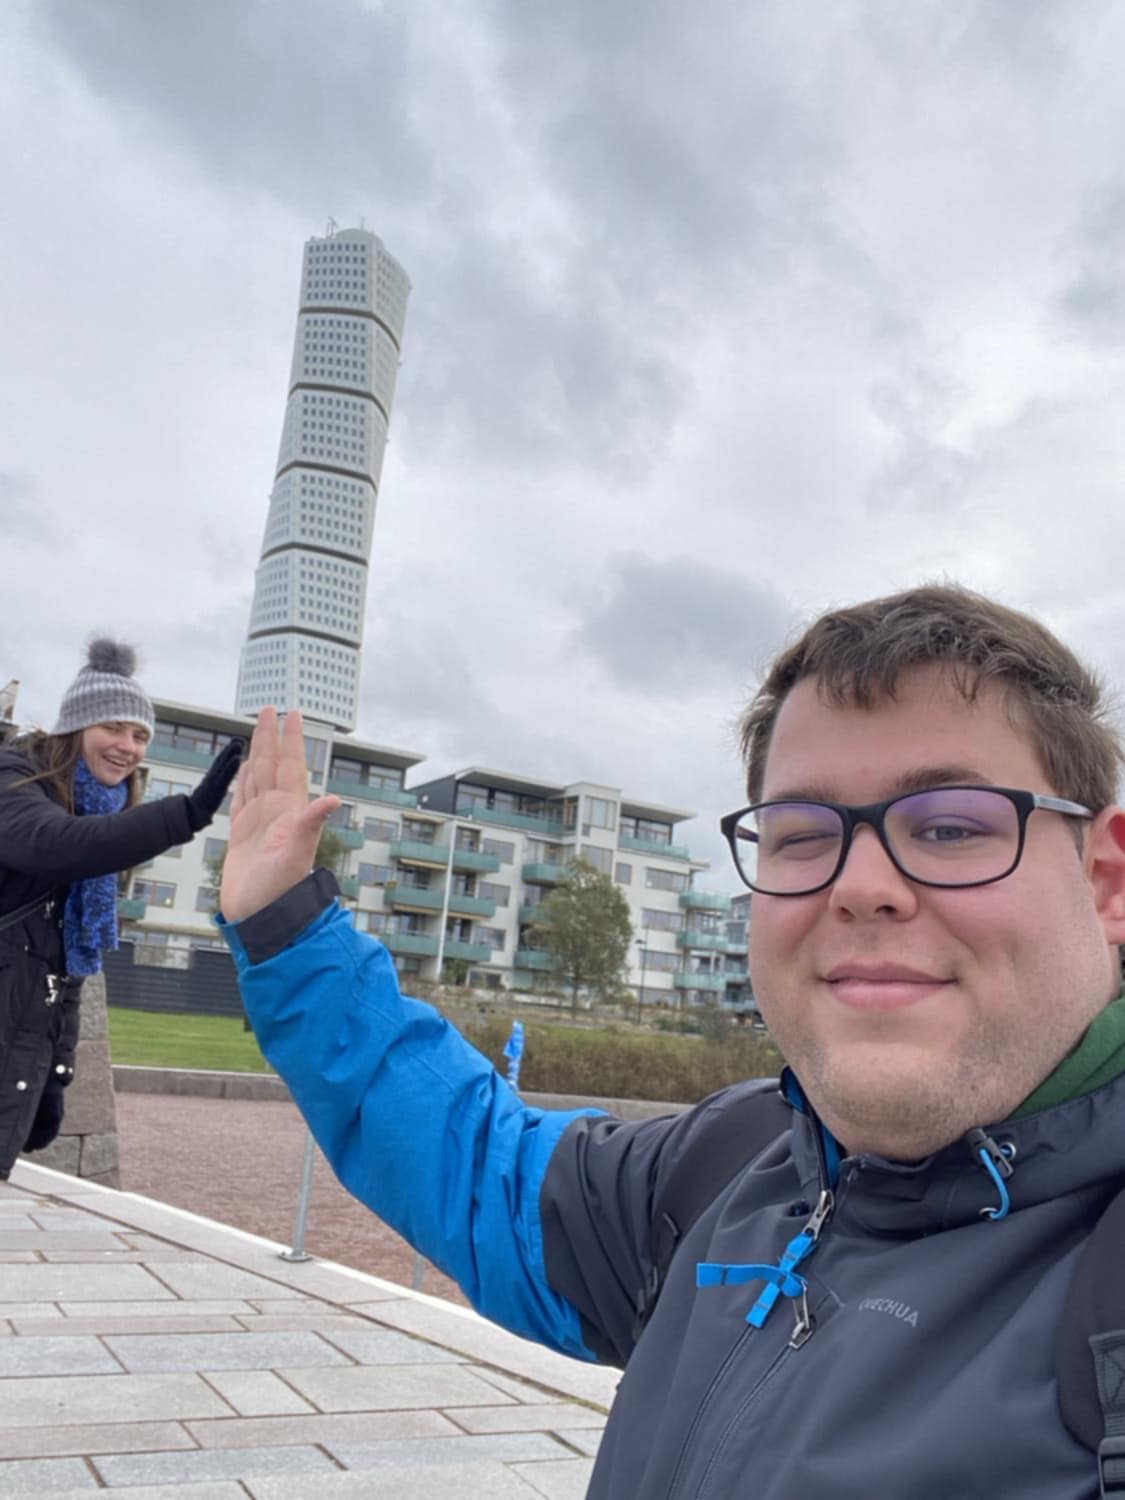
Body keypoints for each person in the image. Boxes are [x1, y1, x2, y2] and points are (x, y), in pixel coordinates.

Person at [218, 585, 1125, 1499]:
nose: (858, 885)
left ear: (1103, 881)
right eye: (802, 835)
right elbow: (475, 1163)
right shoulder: (724, 1171)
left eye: (950, 826)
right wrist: (288, 932)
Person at [0, 639, 242, 1179]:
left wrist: (56, 1075)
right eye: (112, 728)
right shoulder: (13, 780)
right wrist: (187, 814)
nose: (128, 747)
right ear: (75, 726)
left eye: (140, 736)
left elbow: (65, 970)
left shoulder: (97, 812)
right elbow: (54, 845)